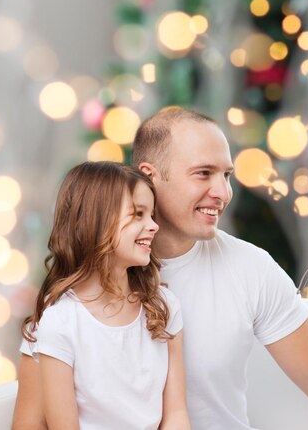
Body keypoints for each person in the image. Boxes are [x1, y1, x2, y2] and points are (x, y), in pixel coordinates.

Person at [13, 109, 308, 430]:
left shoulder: (249, 267)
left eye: (227, 175)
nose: (223, 192)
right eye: (203, 173)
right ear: (150, 176)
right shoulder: (68, 306)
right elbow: (32, 421)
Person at [15, 162, 190, 430]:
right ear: (95, 223)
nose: (154, 226)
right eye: (138, 214)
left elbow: (176, 414)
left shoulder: (163, 306)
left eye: (152, 215)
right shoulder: (61, 322)